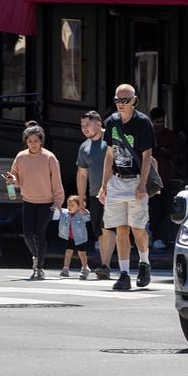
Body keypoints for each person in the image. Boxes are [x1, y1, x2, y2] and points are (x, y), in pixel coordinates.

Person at [98, 84, 156, 291]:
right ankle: (124, 274)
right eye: (117, 100)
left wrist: (142, 185)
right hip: (116, 180)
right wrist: (103, 186)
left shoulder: (143, 123)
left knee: (138, 229)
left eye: (125, 101)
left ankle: (144, 263)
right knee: (121, 229)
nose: (120, 104)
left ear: (134, 101)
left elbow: (147, 155)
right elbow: (109, 155)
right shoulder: (112, 122)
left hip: (135, 180)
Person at [5, 124, 65, 280]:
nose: (33, 143)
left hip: (47, 202)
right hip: (28, 200)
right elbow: (15, 179)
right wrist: (12, 180)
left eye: (36, 141)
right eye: (30, 141)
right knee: (27, 235)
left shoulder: (50, 158)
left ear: (41, 142)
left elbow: (57, 182)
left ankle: (39, 268)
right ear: (26, 142)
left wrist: (57, 202)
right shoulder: (20, 157)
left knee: (40, 234)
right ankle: (36, 257)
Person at [76, 110, 116, 280]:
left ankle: (105, 265)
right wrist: (81, 198)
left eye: (88, 124)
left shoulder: (111, 140)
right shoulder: (84, 147)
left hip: (115, 191)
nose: (84, 128)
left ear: (99, 123)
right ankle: (104, 264)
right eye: (82, 126)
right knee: (99, 230)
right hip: (94, 194)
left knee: (109, 228)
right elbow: (82, 174)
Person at [148, 106, 180, 250]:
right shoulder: (147, 135)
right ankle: (156, 236)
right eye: (157, 122)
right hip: (151, 180)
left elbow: (176, 155)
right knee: (154, 209)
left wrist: (167, 152)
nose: (159, 125)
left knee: (167, 209)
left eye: (162, 122)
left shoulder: (170, 136)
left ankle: (165, 236)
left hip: (166, 179)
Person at [57, 195, 91, 279]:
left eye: (72, 205)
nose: (69, 207)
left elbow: (88, 218)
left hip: (80, 238)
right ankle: (65, 268)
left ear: (79, 206)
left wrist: (83, 208)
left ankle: (85, 268)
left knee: (81, 253)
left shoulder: (81, 213)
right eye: (68, 205)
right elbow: (58, 210)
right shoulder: (65, 213)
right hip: (70, 238)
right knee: (68, 253)